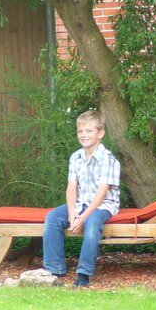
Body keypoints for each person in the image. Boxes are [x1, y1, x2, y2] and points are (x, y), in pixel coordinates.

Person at [42, 108, 121, 287]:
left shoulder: (108, 159)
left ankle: (84, 273)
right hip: (81, 202)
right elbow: (71, 188)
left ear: (100, 133)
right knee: (52, 217)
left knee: (92, 223)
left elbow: (102, 194)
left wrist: (82, 218)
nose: (83, 135)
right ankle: (54, 268)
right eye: (80, 131)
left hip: (103, 205)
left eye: (88, 131)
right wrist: (72, 213)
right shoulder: (75, 157)